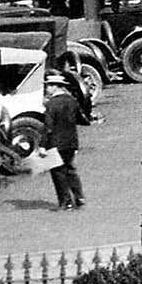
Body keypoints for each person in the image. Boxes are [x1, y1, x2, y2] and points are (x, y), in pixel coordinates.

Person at [42, 62, 89, 210]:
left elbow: (48, 128)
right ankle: (79, 198)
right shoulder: (72, 101)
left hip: (55, 143)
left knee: (58, 172)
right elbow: (82, 119)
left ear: (55, 86)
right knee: (70, 169)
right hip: (71, 142)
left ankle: (66, 202)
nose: (47, 89)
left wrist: (43, 146)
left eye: (48, 86)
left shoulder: (51, 104)